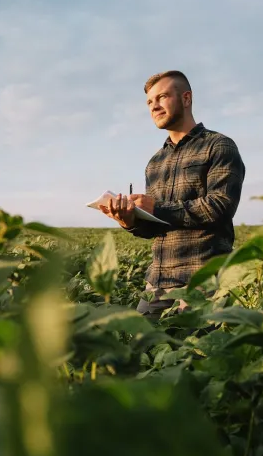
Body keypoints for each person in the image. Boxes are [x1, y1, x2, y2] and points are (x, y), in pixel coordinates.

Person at [100, 70, 246, 318]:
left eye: (162, 97)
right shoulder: (155, 162)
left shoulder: (218, 145)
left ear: (186, 98)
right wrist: (130, 221)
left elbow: (219, 206)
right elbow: (157, 228)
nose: (154, 106)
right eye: (149, 102)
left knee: (198, 352)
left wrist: (156, 207)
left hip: (203, 279)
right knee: (142, 348)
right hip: (157, 282)